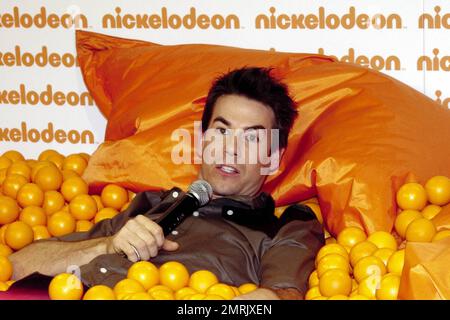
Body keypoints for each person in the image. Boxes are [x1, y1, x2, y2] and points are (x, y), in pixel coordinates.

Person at [9, 67, 324, 300]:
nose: (231, 148)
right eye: (222, 131)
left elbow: (276, 299)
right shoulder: (151, 204)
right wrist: (108, 244)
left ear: (274, 157)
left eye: (252, 138)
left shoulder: (287, 224)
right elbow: (17, 265)